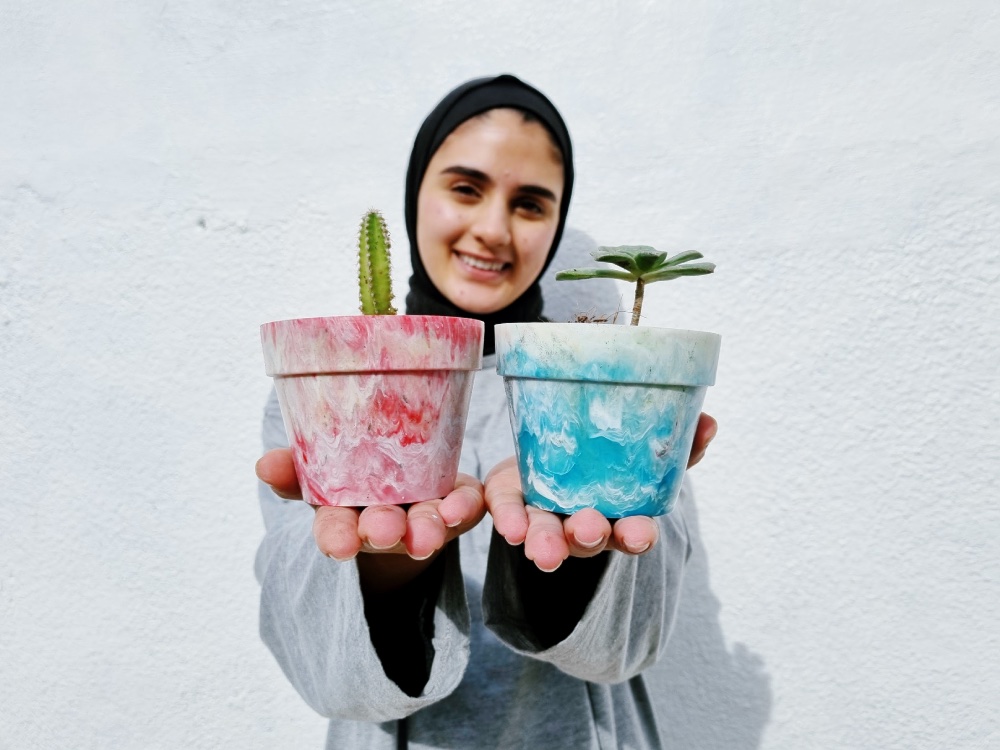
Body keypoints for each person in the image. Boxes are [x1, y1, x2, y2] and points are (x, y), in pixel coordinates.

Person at [254, 74, 718, 749]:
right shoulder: (329, 379)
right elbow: (322, 670)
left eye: (530, 204)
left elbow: (632, 643)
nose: (493, 229)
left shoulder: (601, 388)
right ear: (418, 193)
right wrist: (389, 571)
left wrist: (566, 563)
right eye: (465, 188)